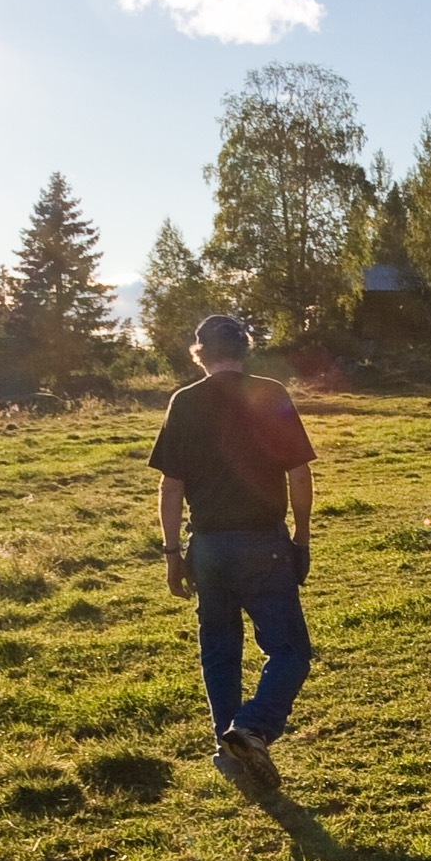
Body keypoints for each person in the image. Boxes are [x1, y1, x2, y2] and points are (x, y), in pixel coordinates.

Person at [149, 314, 315, 792]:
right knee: (290, 651)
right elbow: (299, 475)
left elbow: (171, 486)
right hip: (264, 544)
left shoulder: (184, 402)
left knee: (219, 652)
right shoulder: (270, 393)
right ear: (245, 348)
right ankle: (251, 728)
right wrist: (300, 538)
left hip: (208, 549)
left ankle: (230, 744)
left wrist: (172, 553)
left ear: (198, 352)